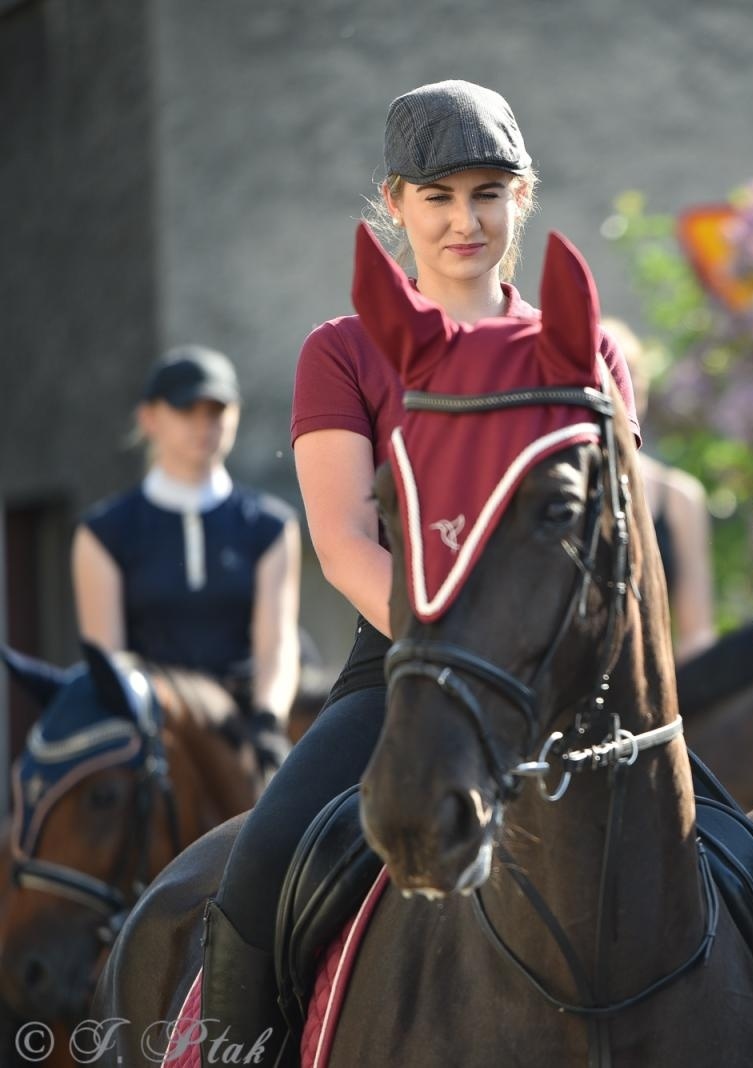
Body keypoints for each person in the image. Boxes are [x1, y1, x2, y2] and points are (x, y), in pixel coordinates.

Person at [200, 80, 638, 1066]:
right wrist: (463, 656)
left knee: (747, 863)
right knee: (259, 871)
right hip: (408, 668)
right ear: (395, 204)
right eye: (437, 197)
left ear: (521, 197)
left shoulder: (586, 351)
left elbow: (618, 542)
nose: (463, 221)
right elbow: (344, 542)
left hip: (578, 685)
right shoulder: (343, 352)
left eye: (487, 194)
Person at [73, 345, 300, 771]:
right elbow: (109, 662)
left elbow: (277, 644)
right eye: (186, 409)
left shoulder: (271, 527)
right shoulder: (103, 533)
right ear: (149, 418)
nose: (203, 424)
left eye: (216, 411)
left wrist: (269, 720)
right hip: (153, 732)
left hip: (245, 726)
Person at [602, 316, 717, 661]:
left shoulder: (679, 496)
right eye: (614, 372)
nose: (626, 384)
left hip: (653, 676)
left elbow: (697, 632)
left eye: (633, 373)